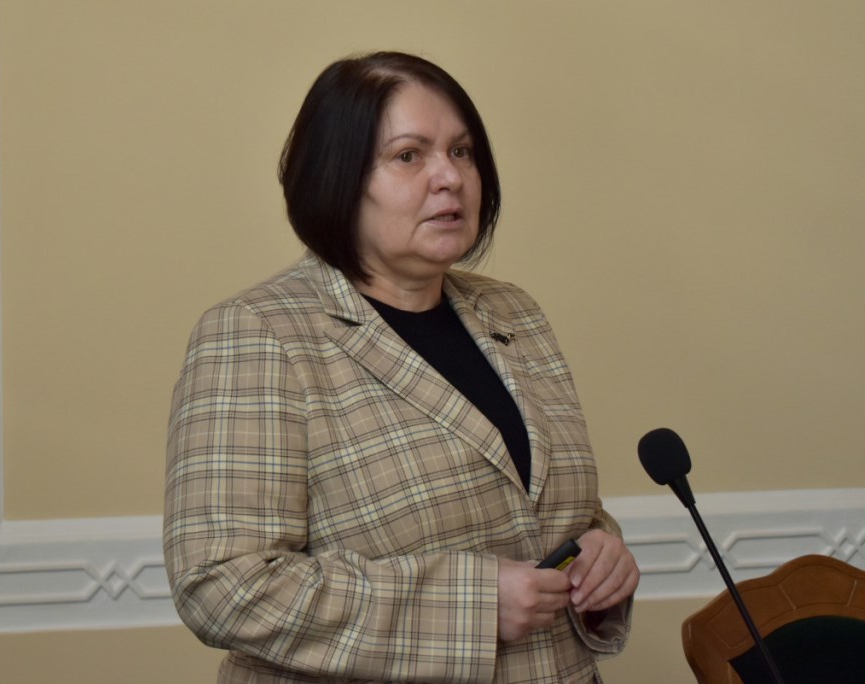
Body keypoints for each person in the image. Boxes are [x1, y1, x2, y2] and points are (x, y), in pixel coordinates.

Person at [164, 51, 639, 683]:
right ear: (336, 179)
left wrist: (600, 554)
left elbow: (547, 513)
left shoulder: (514, 313)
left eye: (462, 151)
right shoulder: (258, 333)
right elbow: (222, 584)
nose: (450, 177)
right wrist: (470, 608)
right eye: (409, 155)